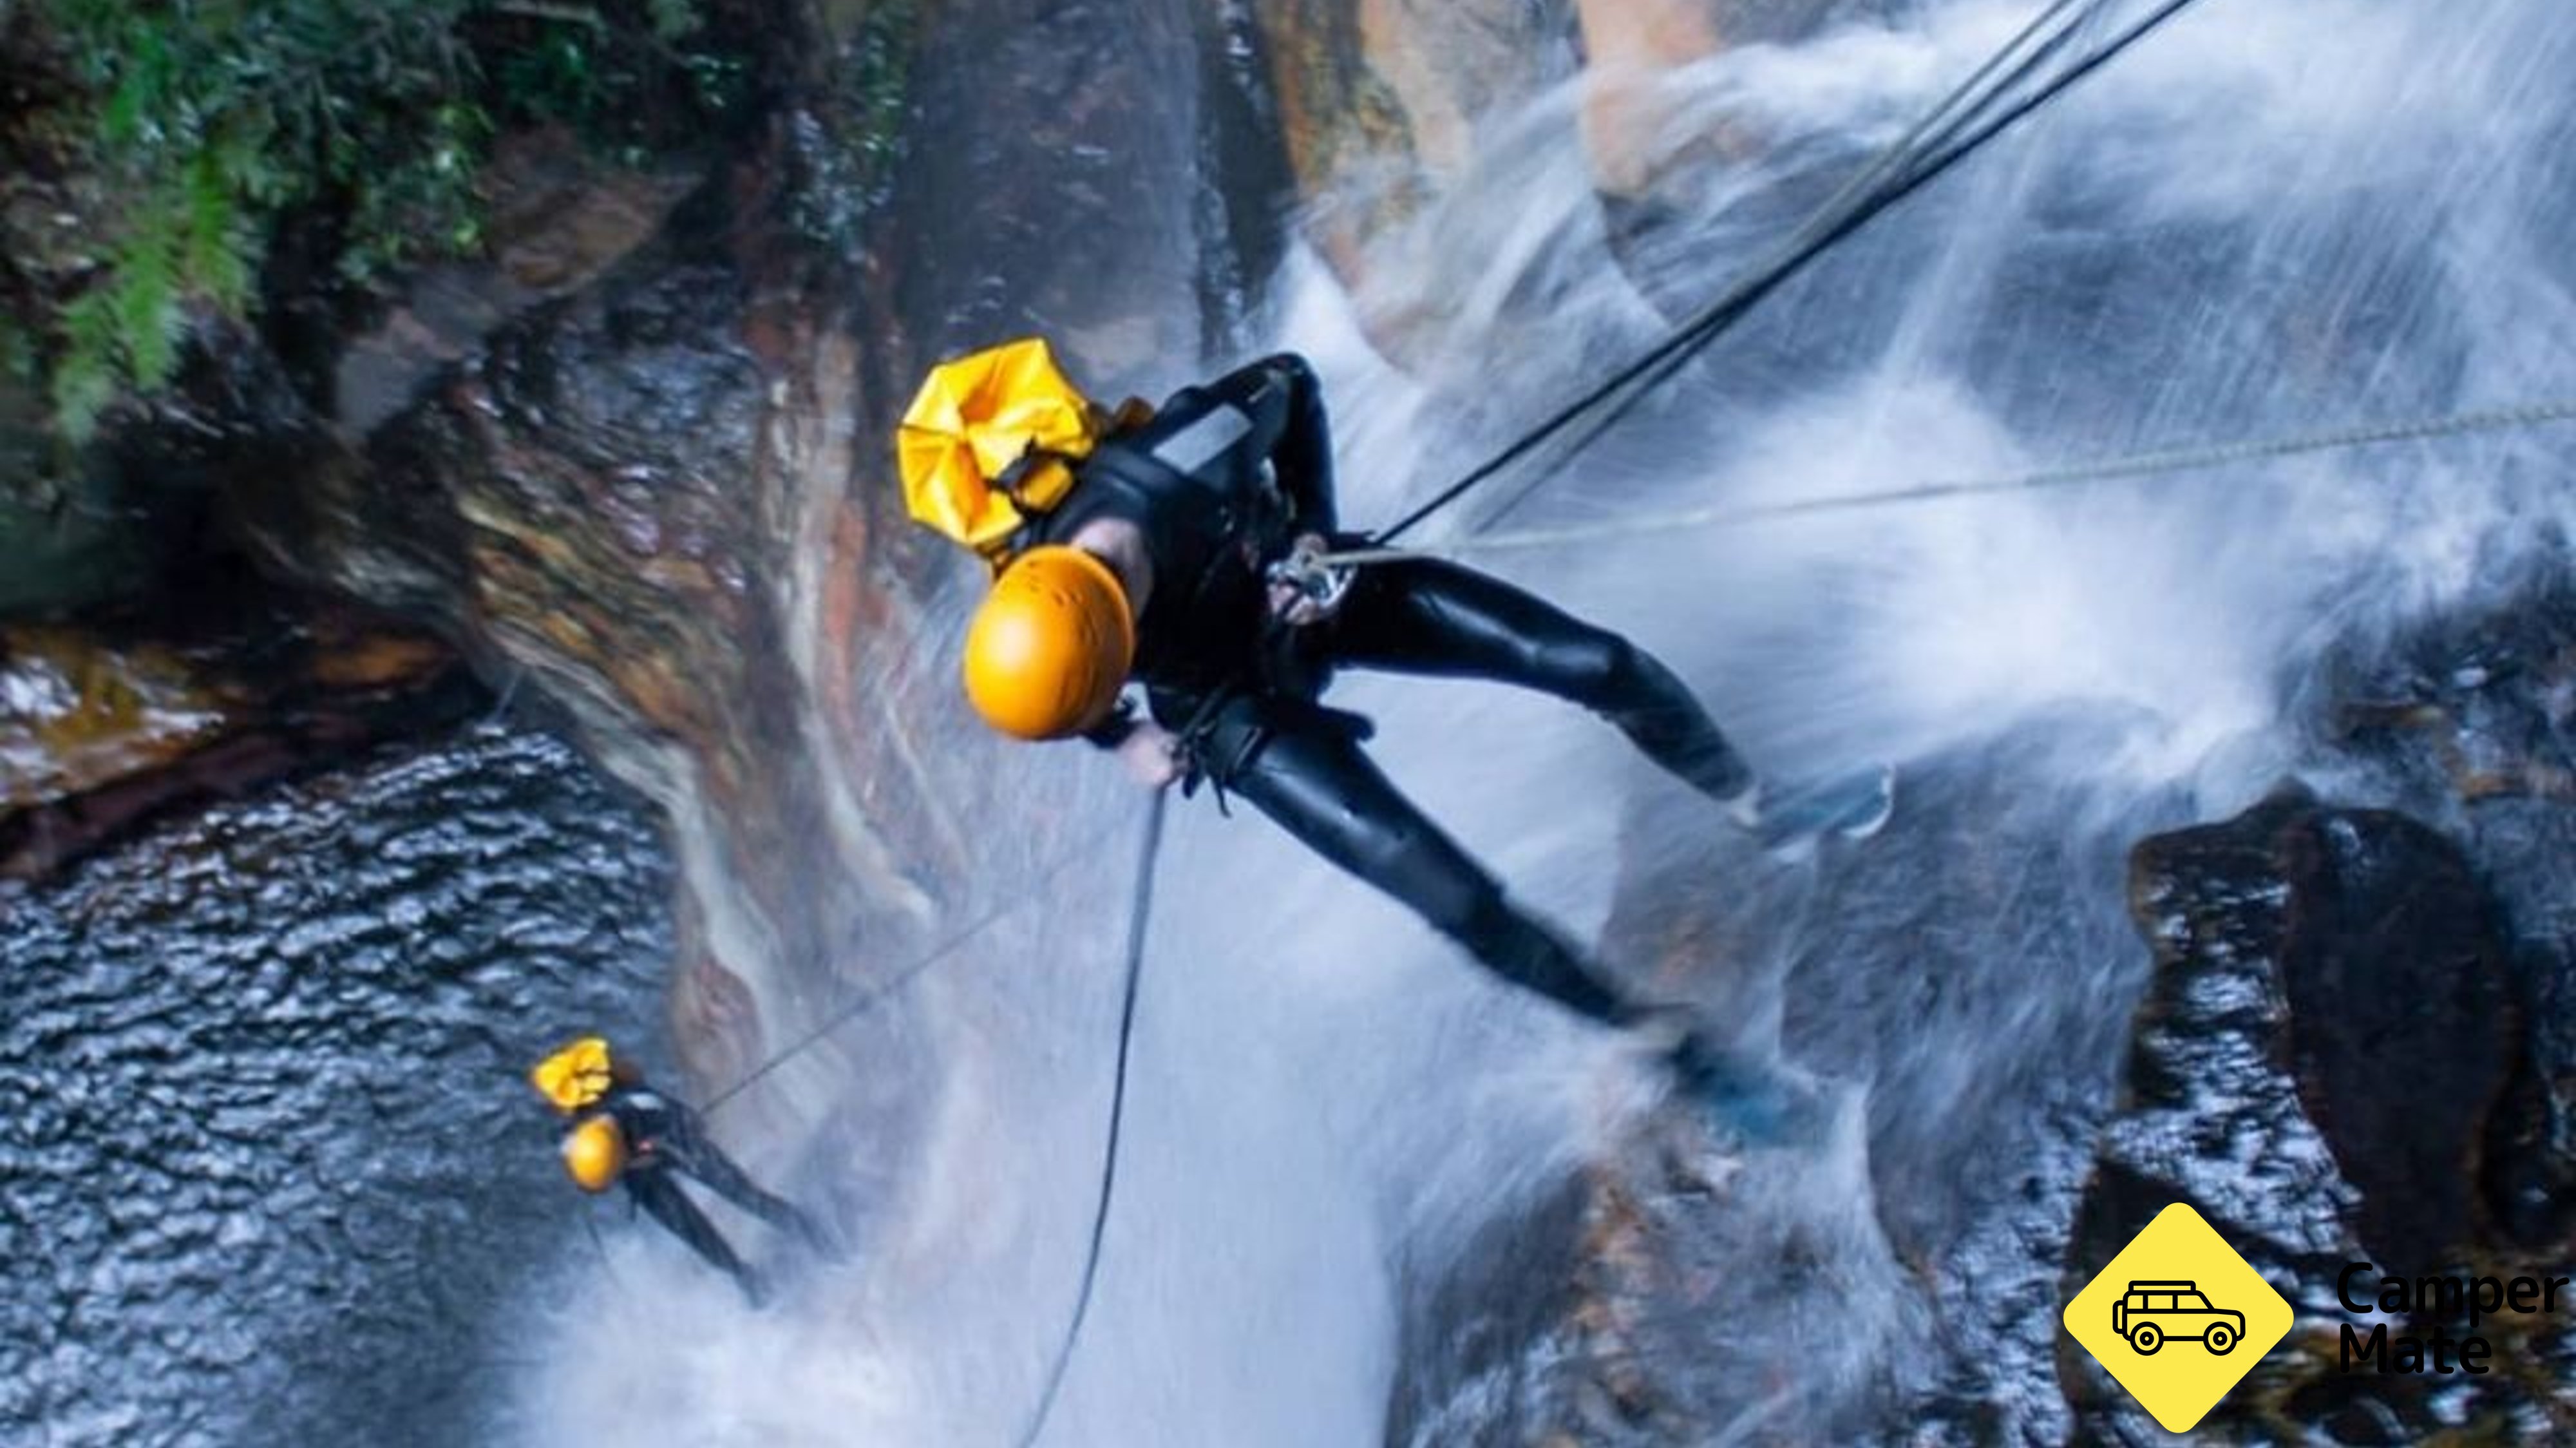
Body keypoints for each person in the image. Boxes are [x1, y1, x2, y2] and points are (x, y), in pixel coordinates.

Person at [896, 339, 1887, 1104]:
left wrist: (1316, 533)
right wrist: (1128, 738)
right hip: (1232, 716)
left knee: (1596, 663)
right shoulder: (1039, 630)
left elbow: (1292, 383)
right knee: (1457, 901)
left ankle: (1765, 805)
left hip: (1312, 592)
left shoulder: (1186, 456)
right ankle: (1666, 1047)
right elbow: (1057, 700)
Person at [529, 1036, 833, 1306]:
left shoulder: (642, 1106)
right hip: (639, 1171)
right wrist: (627, 1165)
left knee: (741, 1194)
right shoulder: (576, 1144)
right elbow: (584, 1169)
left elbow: (691, 1121)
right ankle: (747, 1280)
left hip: (672, 1141)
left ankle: (811, 1232)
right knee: (691, 1231)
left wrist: (662, 1140)